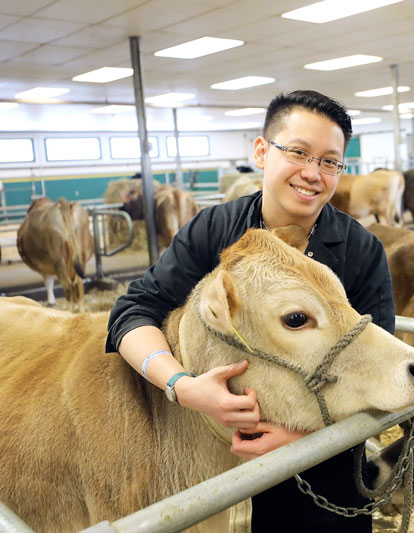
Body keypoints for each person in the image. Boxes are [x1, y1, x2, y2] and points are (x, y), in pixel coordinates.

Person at [106, 90, 393, 532]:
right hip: (209, 461)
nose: (312, 173)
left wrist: (304, 440)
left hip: (322, 475)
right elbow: (134, 311)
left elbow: (380, 371)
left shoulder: (361, 250)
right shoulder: (213, 230)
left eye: (330, 161)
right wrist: (181, 386)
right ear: (262, 151)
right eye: (298, 152)